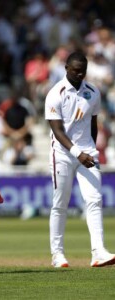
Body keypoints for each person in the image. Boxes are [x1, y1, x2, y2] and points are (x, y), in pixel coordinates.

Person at [45, 51, 115, 268]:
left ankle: (98, 252)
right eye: (75, 70)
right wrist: (78, 153)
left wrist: (91, 150)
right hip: (63, 154)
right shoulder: (55, 93)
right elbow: (57, 131)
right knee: (60, 204)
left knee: (94, 201)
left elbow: (93, 124)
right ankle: (57, 255)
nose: (79, 74)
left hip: (87, 154)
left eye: (82, 71)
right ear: (66, 68)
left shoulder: (93, 92)